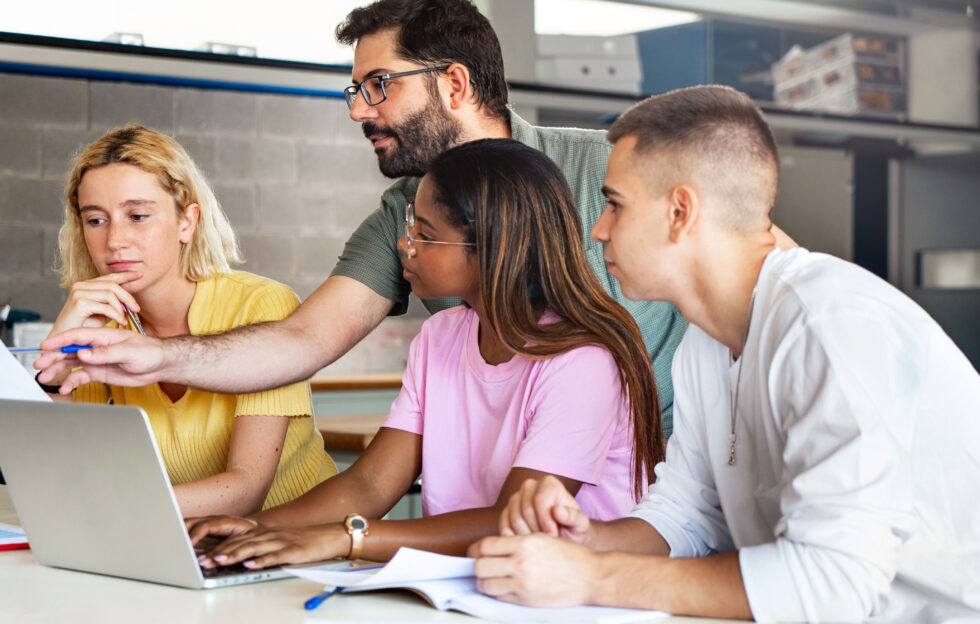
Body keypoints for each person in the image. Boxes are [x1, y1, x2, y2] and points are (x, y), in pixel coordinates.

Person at [469, 86, 980, 624]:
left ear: (680, 211)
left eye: (614, 204)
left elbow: (833, 582)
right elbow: (690, 514)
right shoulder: (707, 341)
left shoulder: (828, 323)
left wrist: (594, 577)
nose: (599, 229)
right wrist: (586, 538)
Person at [35, 0, 701, 435]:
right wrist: (153, 356)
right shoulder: (401, 213)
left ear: (455, 85)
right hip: (523, 488)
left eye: (377, 86)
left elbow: (760, 262)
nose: (358, 110)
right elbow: (300, 341)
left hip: (666, 477)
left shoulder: (605, 167)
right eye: (354, 90)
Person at [183, 139, 665, 568]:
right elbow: (369, 484)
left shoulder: (583, 360)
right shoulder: (441, 336)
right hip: (471, 583)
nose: (404, 244)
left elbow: (512, 521)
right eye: (412, 224)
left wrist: (344, 540)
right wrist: (260, 528)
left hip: (576, 598)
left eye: (426, 234)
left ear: (493, 247)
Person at [42, 125, 337, 518]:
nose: (115, 240)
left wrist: (115, 504)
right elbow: (60, 472)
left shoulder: (262, 305)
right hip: (179, 539)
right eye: (96, 220)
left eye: (138, 216)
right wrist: (58, 360)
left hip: (297, 543)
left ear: (187, 221)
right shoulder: (104, 325)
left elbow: (245, 491)